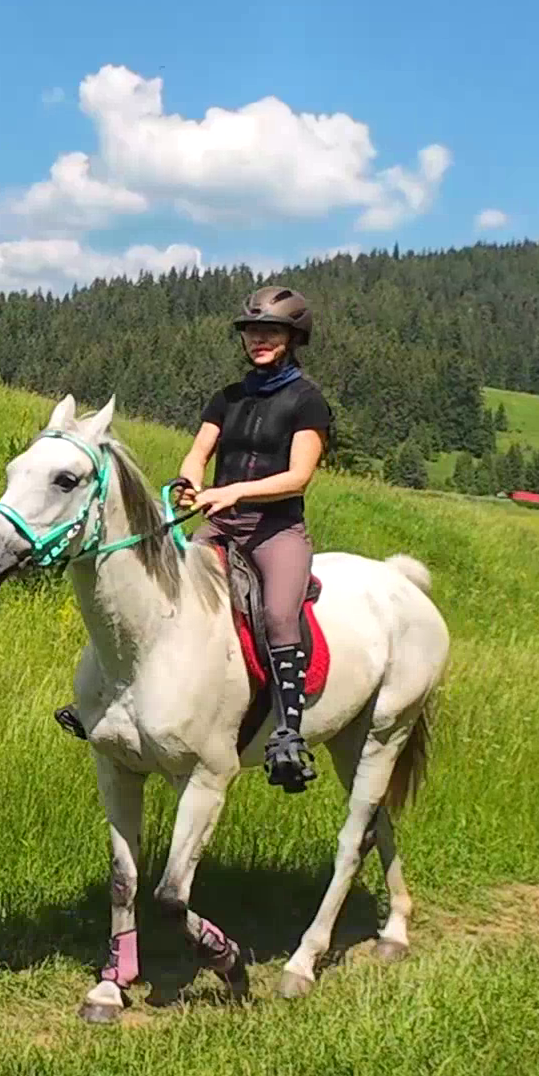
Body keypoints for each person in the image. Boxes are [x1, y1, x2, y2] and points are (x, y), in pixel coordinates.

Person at [180, 287, 334, 791]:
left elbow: (298, 477)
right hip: (222, 525)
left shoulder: (308, 401)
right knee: (170, 591)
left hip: (275, 530)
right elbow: (198, 452)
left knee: (276, 614)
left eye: (271, 332)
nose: (259, 340)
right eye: (252, 332)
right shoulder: (227, 397)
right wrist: (190, 484)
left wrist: (235, 491)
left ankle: (289, 732)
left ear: (293, 338)